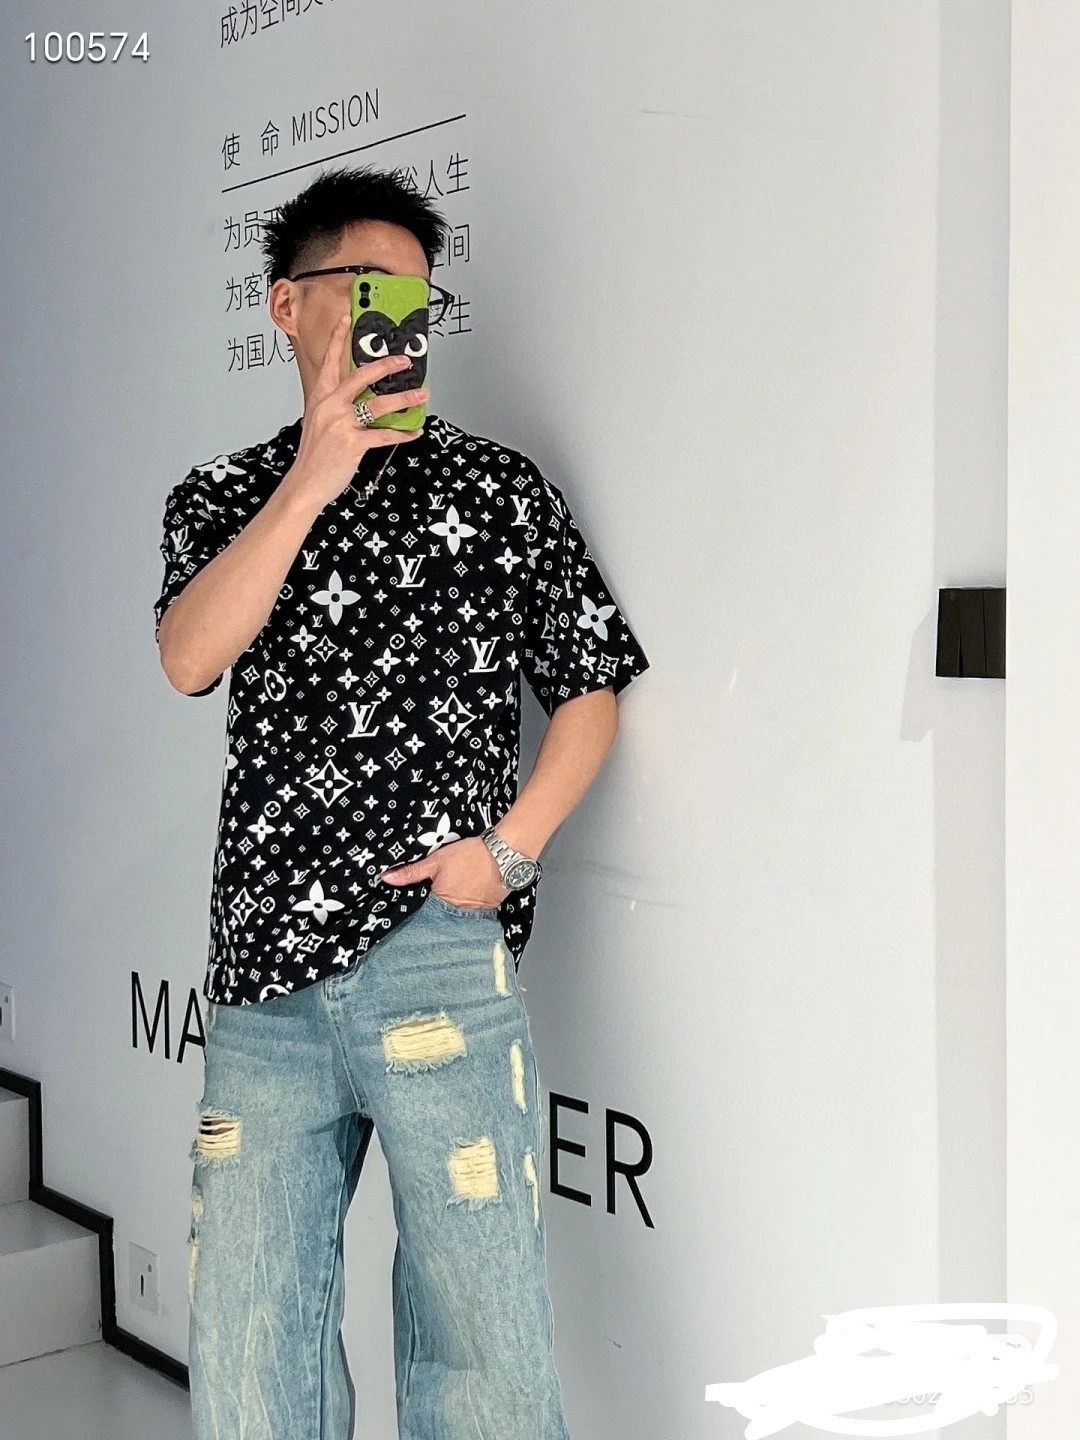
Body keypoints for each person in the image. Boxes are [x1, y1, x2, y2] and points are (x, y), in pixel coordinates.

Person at [156, 163, 650, 1440]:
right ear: (288, 305)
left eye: (417, 298)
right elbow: (189, 657)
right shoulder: (220, 496)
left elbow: (591, 688)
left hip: (438, 951)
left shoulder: (495, 490)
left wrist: (509, 852)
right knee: (249, 1349)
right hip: (263, 971)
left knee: (483, 1346)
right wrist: (313, 477)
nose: (398, 318)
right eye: (367, 287)